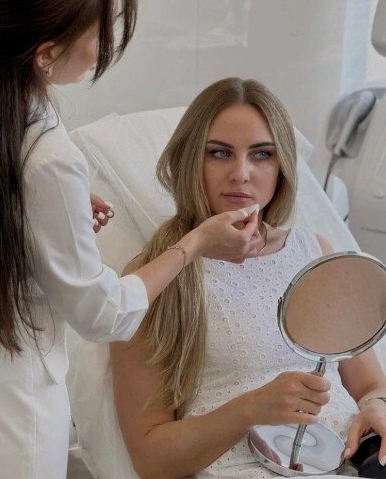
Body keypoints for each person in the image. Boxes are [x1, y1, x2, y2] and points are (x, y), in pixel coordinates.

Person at [0, 0, 262, 479]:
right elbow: (101, 314)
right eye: (102, 29)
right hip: (15, 431)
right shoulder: (48, 156)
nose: (105, 48)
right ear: (46, 52)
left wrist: (41, 208)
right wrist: (193, 246)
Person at [111, 77, 386, 479]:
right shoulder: (156, 277)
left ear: (282, 168)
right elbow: (151, 459)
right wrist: (251, 408)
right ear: (191, 161)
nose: (241, 173)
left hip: (352, 460)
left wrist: (376, 407)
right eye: (219, 153)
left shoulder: (315, 253)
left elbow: (370, 385)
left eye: (262, 154)